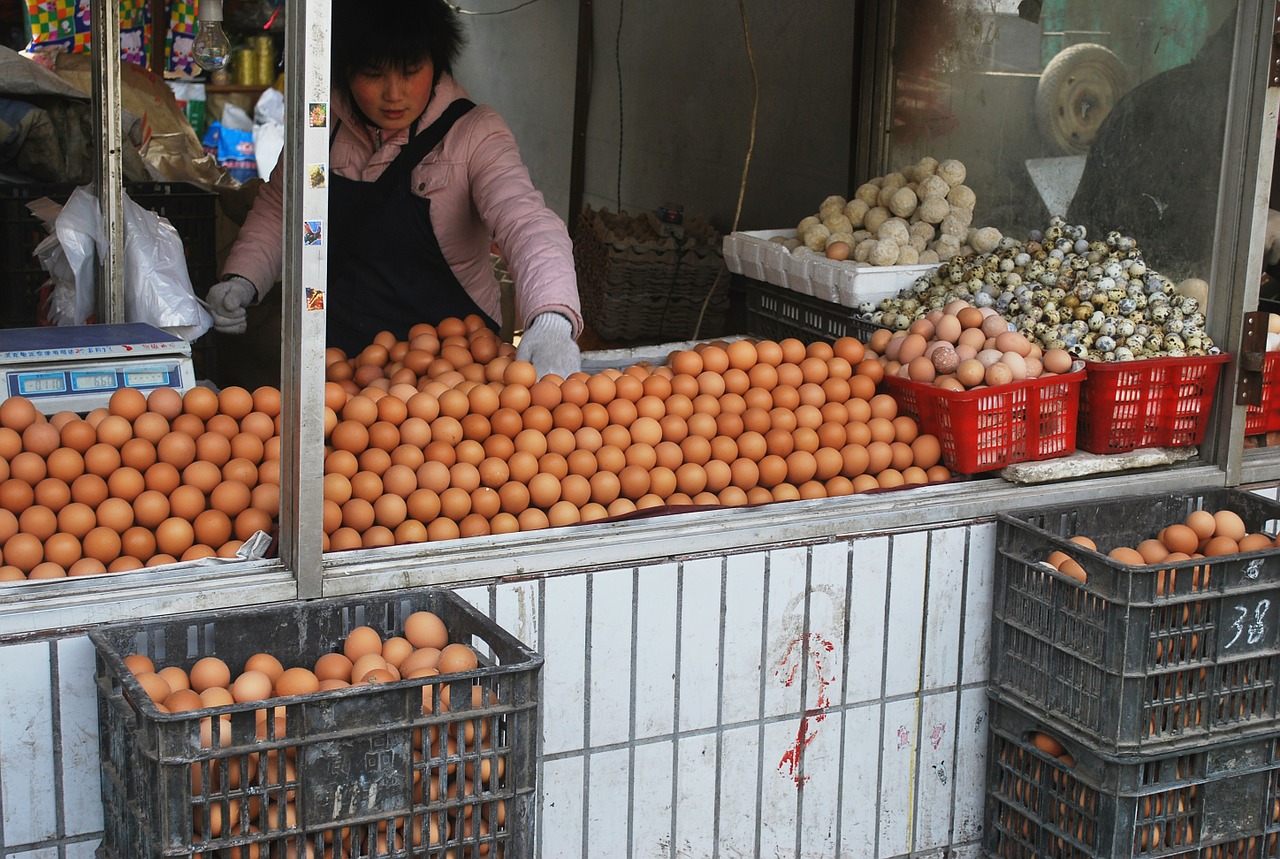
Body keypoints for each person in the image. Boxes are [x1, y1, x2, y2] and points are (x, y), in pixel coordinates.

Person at [206, 0, 582, 379]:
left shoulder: (472, 133)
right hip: (338, 362)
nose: (394, 94)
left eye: (410, 70)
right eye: (373, 73)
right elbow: (282, 208)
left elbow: (526, 221)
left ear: (436, 62)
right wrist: (243, 278)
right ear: (344, 70)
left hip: (456, 370)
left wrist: (551, 314)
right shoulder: (323, 128)